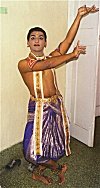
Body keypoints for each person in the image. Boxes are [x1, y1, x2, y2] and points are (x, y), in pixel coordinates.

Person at [18, 5, 99, 185]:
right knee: (32, 149)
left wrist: (78, 16)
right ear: (28, 43)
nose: (37, 40)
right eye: (33, 38)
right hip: (38, 107)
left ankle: (40, 170)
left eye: (41, 38)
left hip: (55, 104)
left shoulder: (49, 58)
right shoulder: (24, 64)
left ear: (45, 42)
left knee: (53, 141)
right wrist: (71, 55)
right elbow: (46, 65)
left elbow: (67, 41)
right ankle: (56, 167)